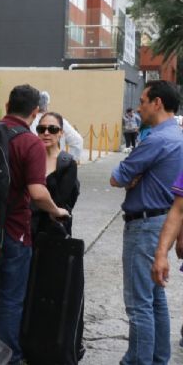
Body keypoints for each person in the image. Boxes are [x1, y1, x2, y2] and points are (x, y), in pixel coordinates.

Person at [0, 84, 71, 364]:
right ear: (36, 112)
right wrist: (56, 210)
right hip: (15, 230)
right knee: (11, 299)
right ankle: (8, 356)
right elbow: (37, 193)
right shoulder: (29, 143)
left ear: (6, 105)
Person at [111, 80, 183, 365]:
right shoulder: (176, 136)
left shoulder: (157, 139)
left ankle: (139, 361)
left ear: (157, 103)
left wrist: (132, 179)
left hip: (145, 225)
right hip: (163, 221)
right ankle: (157, 358)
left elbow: (117, 176)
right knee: (155, 299)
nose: (139, 106)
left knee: (139, 303)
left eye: (142, 101)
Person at [31, 112, 80, 240]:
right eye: (41, 129)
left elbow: (61, 202)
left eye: (52, 129)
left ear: (61, 133)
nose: (46, 133)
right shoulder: (31, 158)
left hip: (54, 230)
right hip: (28, 229)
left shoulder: (68, 163)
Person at [30, 90, 84, 161]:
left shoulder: (29, 121)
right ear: (47, 104)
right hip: (56, 164)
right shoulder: (58, 120)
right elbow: (77, 141)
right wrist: (68, 163)